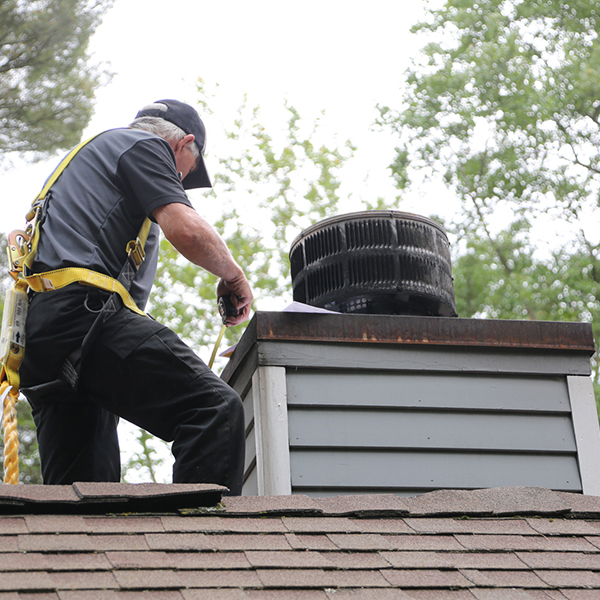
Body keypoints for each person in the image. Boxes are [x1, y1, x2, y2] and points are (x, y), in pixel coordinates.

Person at [19, 99, 253, 494]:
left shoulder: (86, 167)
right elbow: (188, 231)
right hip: (86, 316)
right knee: (214, 409)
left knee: (84, 493)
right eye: (186, 173)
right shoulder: (144, 146)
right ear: (184, 144)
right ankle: (206, 550)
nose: (177, 181)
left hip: (44, 342)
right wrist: (233, 276)